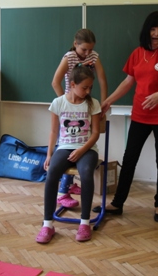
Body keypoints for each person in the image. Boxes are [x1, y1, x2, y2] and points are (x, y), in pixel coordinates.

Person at [94, 11, 158, 223]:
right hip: (140, 115)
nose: (157, 34)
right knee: (130, 159)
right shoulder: (137, 53)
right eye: (153, 29)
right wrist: (109, 101)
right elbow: (128, 82)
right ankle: (117, 203)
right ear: (147, 31)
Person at [36, 64, 101, 244]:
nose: (88, 91)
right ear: (72, 84)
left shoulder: (93, 104)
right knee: (52, 173)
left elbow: (95, 133)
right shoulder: (58, 103)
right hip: (64, 147)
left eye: (90, 87)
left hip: (87, 149)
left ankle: (84, 223)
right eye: (84, 87)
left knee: (86, 174)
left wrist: (81, 150)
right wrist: (49, 154)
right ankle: (48, 224)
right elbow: (53, 132)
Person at [51, 28, 107, 209]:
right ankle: (62, 192)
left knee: (80, 144)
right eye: (84, 49)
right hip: (71, 107)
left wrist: (104, 104)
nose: (87, 53)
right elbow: (55, 82)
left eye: (91, 49)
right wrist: (65, 104)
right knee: (68, 145)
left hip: (86, 106)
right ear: (75, 44)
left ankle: (69, 184)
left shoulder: (94, 56)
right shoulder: (69, 57)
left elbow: (102, 80)